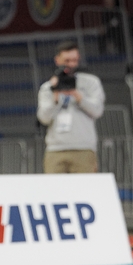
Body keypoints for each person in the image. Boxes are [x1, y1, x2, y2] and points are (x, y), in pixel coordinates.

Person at [37, 40, 105, 173]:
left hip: (84, 148)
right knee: (54, 186)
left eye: (74, 60)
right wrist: (55, 97)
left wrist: (78, 96)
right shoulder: (48, 88)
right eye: (67, 61)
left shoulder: (91, 82)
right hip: (55, 149)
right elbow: (43, 118)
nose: (71, 64)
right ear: (57, 60)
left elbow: (97, 111)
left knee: (85, 186)